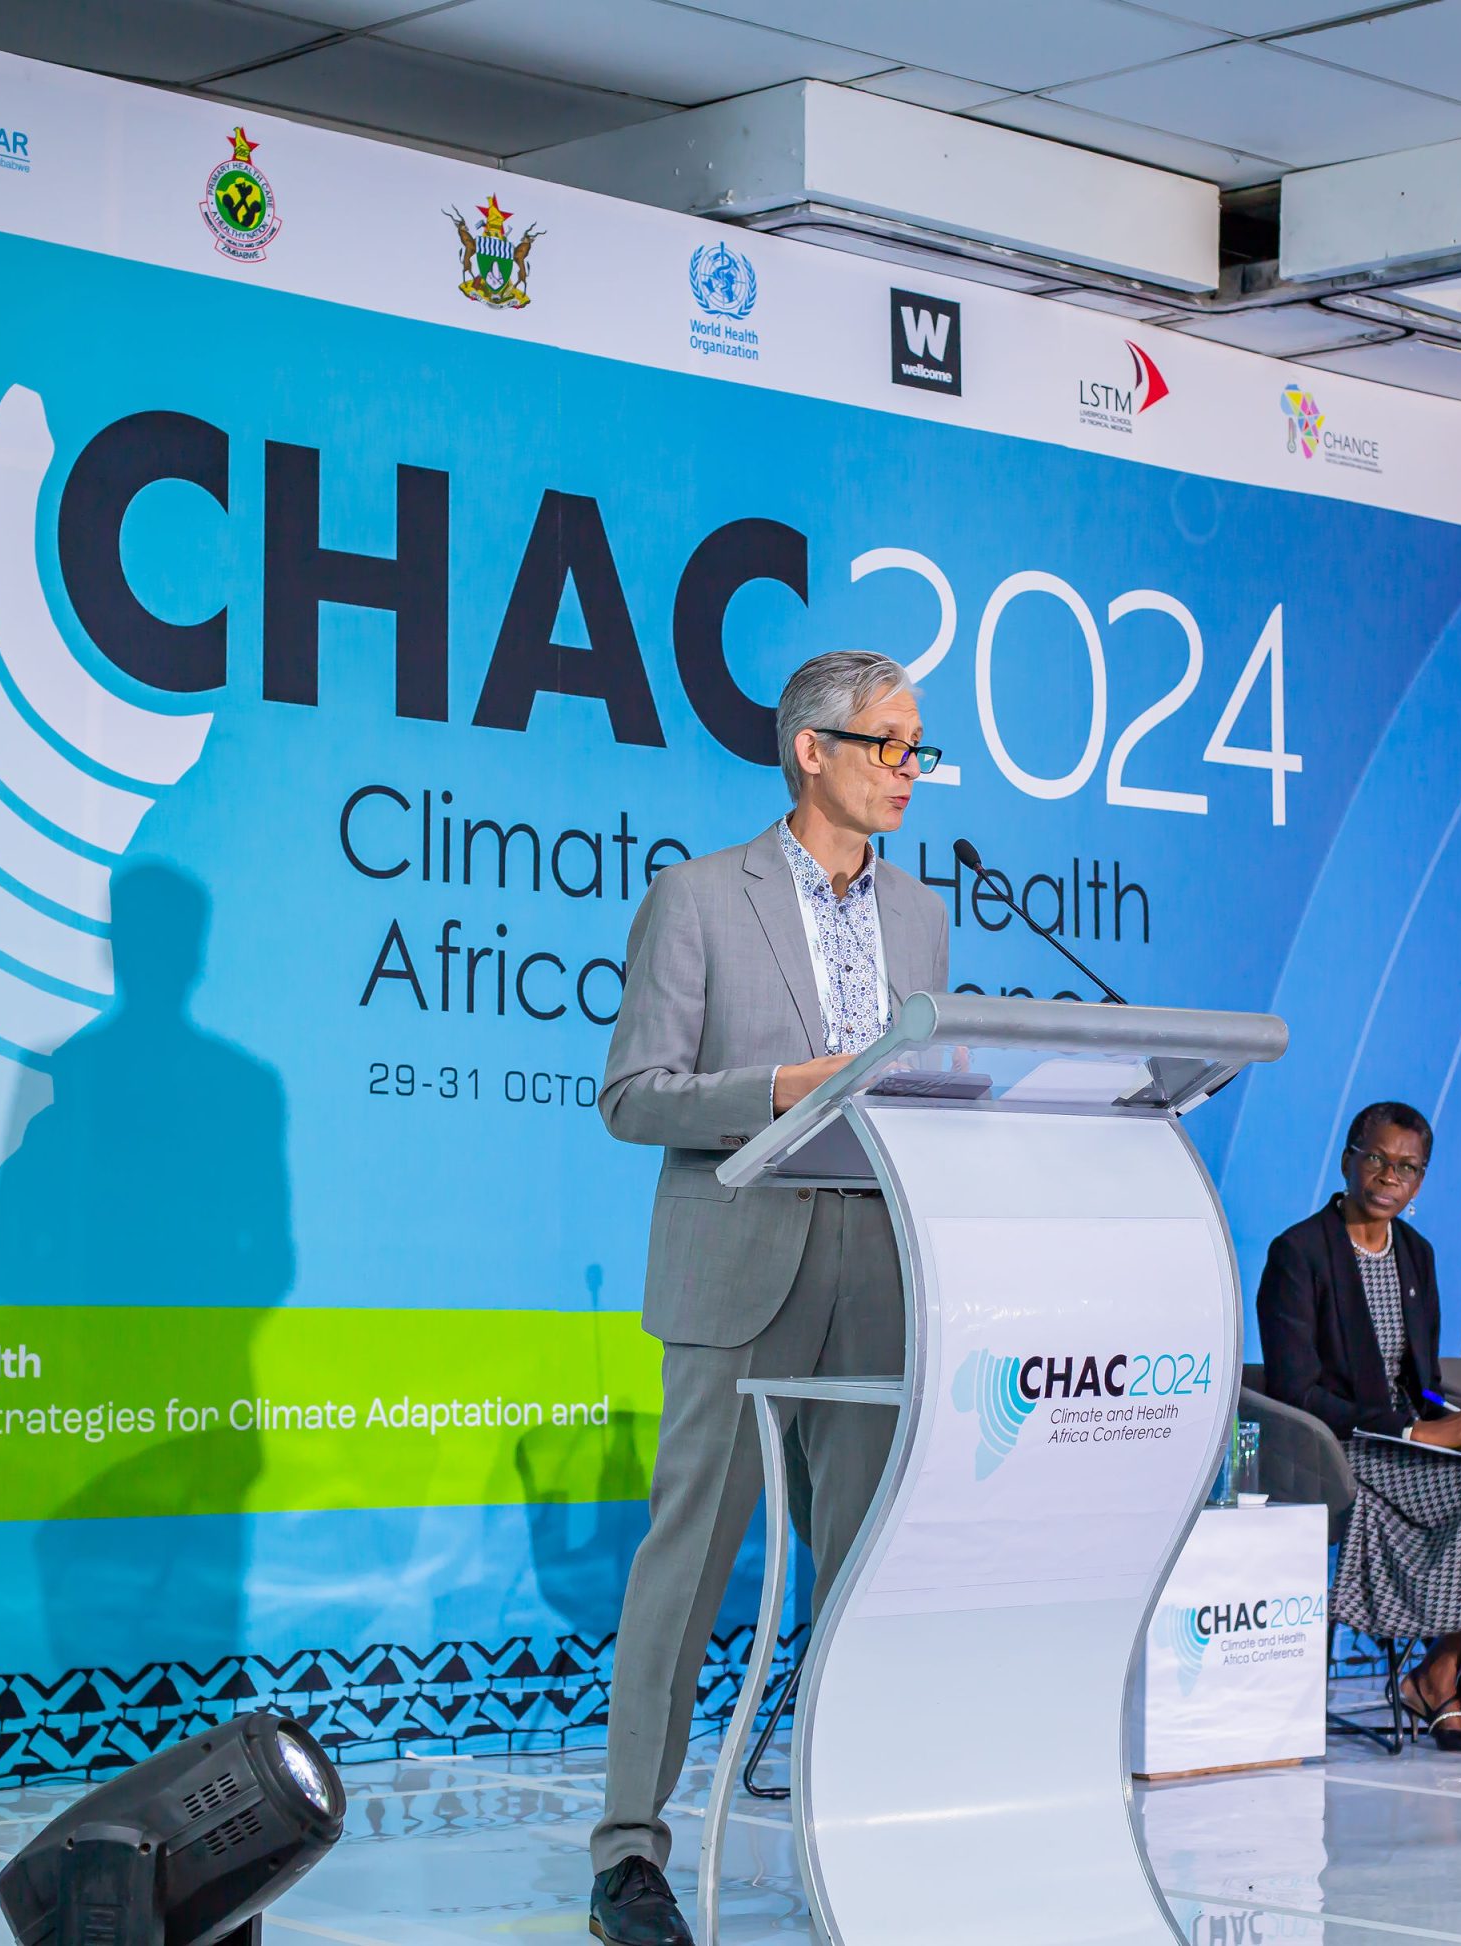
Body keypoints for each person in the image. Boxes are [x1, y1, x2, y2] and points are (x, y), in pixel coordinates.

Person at [586, 651, 950, 1946]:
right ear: (814, 751)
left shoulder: (921, 914)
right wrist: (784, 1087)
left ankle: (847, 1828)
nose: (913, 769)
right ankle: (629, 1854)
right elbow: (635, 1095)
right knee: (687, 1567)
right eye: (893, 745)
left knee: (859, 1572)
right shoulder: (695, 898)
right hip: (739, 1262)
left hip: (884, 1267)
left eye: (919, 748)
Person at [1257, 1103, 1461, 1754]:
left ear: (1421, 1179)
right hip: (1340, 1448)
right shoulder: (1298, 1253)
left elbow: (1423, 1379)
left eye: (1409, 1167)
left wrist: (1451, 1414)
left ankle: (1439, 1673)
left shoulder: (1416, 1253)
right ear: (1349, 1158)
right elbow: (1297, 1392)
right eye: (1379, 1158)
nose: (1391, 1176)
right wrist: (1418, 1434)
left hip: (1413, 1442)